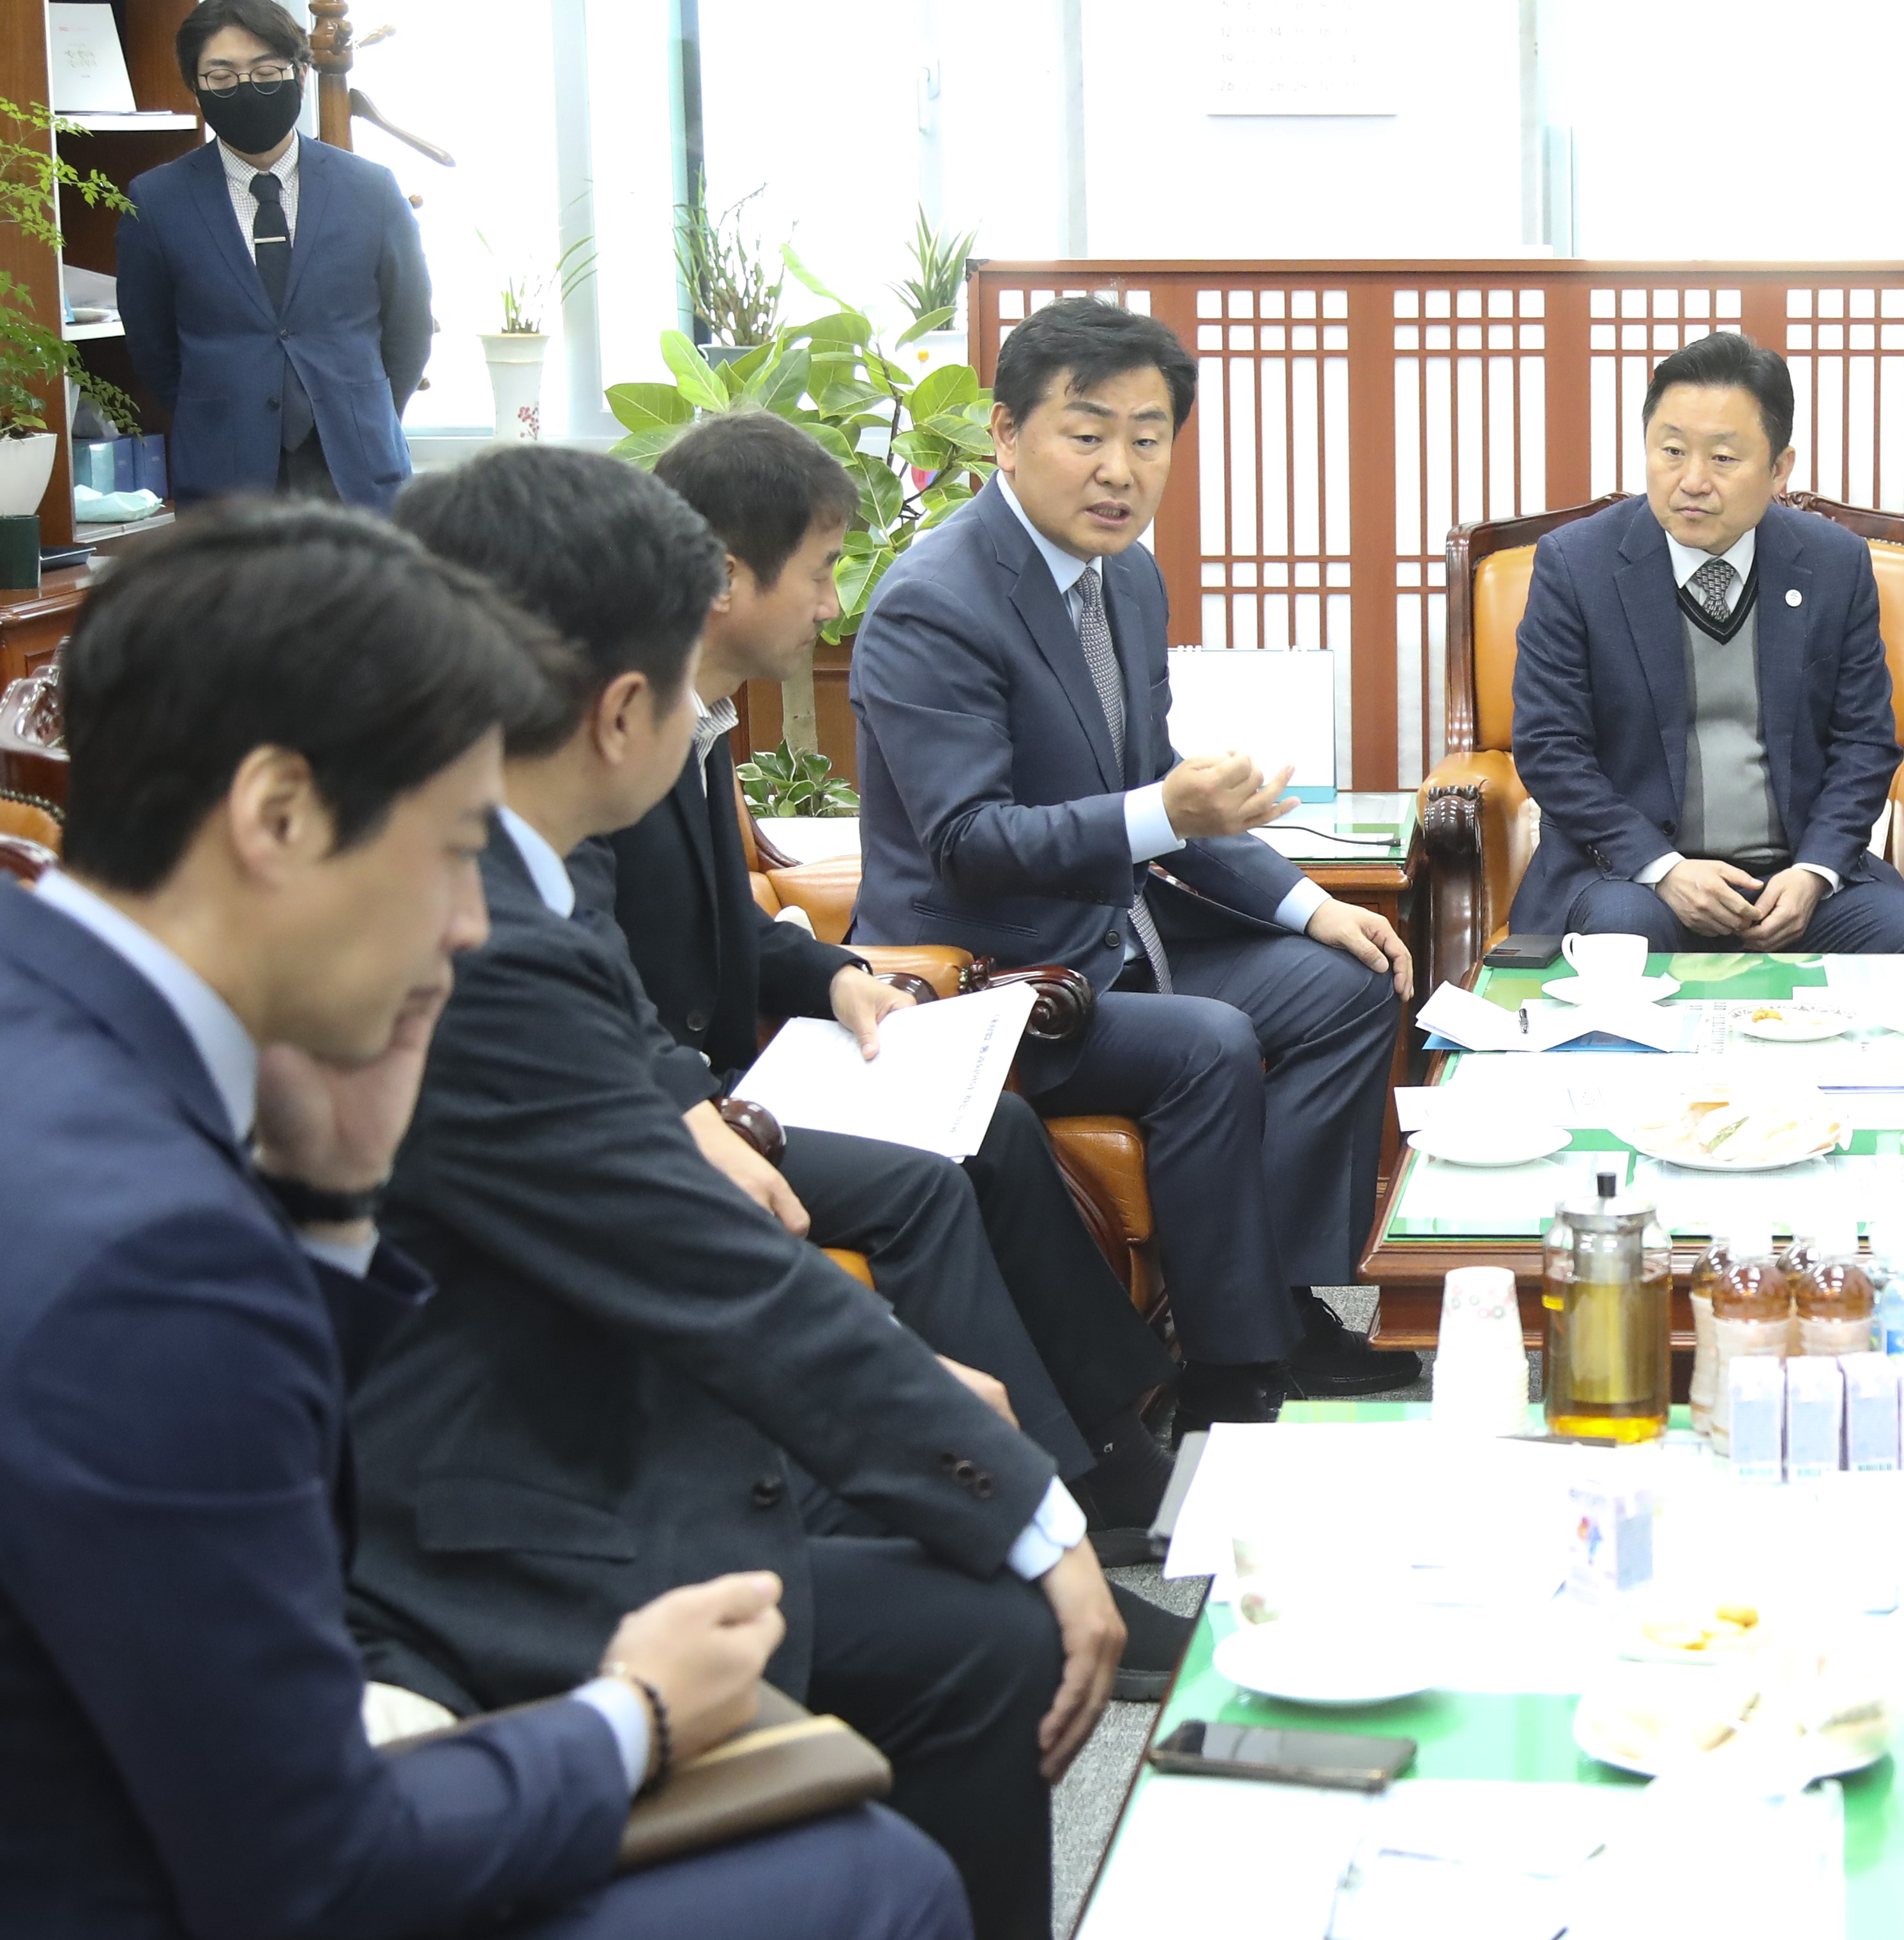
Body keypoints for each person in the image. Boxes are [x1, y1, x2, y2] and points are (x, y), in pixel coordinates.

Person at [0, 501, 967, 1939]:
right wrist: (630, 1713)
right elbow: (310, 1868)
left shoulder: (52, 1008)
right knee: (877, 1880)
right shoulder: (150, 1251)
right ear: (277, 816)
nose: (469, 923)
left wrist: (333, 1208)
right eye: (457, 848)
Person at [351, 447, 1170, 1940]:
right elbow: (706, 1272)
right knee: (987, 1623)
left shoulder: (509, 867)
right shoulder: (482, 930)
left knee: (956, 1566)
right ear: (618, 713)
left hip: (580, 1412)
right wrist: (1026, 1513)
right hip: (499, 1513)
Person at [576, 409, 1180, 1533]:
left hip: (730, 1083)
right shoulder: (608, 736)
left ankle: (1112, 1445)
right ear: (721, 577)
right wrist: (685, 1102)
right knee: (918, 1186)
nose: (826, 604)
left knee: (992, 1129)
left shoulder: (698, 719)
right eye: (816, 573)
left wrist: (834, 973)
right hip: (663, 1112)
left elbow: (729, 926)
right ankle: (1028, 1507)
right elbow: (580, 976)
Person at [850, 296, 1417, 1427]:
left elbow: (1154, 782)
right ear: (1006, 434)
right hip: (987, 975)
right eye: (1087, 432)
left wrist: (1307, 905)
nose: (1119, 469)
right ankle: (1230, 1367)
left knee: (1351, 979)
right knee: (1206, 1042)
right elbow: (970, 840)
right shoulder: (935, 600)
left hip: (1108, 940)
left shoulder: (1127, 576)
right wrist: (1162, 808)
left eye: (1148, 438)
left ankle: (1281, 1300)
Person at [1503, 330, 1904, 958]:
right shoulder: (1575, 565)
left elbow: (1862, 742)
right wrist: (1662, 867)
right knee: (1624, 937)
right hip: (1628, 875)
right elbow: (1550, 747)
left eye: (1722, 458)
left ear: (1778, 468)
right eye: (1670, 451)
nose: (1691, 480)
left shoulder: (1834, 564)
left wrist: (1814, 872)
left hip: (1791, 879)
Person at [114, 1, 432, 511]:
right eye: (221, 76)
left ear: (300, 74)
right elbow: (153, 347)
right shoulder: (155, 201)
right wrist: (216, 415)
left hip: (358, 470)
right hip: (225, 477)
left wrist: (362, 411)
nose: (245, 87)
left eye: (265, 71)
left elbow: (409, 329)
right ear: (195, 88)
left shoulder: (371, 189)